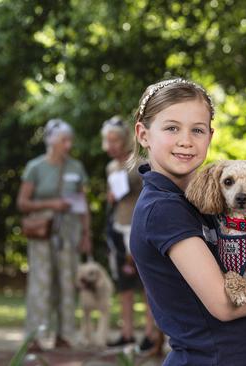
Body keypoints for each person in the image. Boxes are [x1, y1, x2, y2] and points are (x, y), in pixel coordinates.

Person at [128, 77, 246, 366]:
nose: (186, 140)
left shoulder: (200, 203)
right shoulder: (163, 209)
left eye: (197, 130)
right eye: (171, 128)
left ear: (210, 135)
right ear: (143, 134)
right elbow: (223, 303)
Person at [17, 118, 92, 351]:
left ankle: (65, 335)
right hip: (43, 233)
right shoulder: (35, 167)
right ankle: (35, 336)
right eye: (63, 140)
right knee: (41, 284)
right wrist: (52, 203)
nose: (68, 145)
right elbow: (22, 203)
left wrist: (86, 234)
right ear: (51, 140)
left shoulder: (76, 168)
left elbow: (83, 204)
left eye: (70, 140)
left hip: (69, 233)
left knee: (68, 284)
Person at [100, 116, 159, 351]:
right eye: (108, 140)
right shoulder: (110, 167)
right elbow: (111, 198)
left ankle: (150, 334)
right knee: (124, 283)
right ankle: (127, 333)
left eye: (116, 140)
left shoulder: (141, 163)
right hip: (117, 228)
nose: (112, 145)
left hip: (139, 228)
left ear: (125, 139)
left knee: (146, 283)